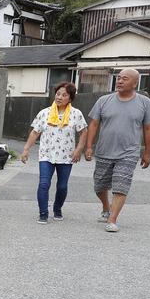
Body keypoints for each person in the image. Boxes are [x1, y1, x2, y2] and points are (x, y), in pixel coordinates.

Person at [84, 68, 150, 232]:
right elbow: (94, 124)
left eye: (125, 78)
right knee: (99, 186)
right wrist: (89, 147)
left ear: (135, 83)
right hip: (104, 151)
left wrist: (147, 153)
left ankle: (112, 219)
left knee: (121, 186)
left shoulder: (145, 103)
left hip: (128, 153)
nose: (120, 81)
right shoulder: (104, 101)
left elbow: (148, 130)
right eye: (118, 78)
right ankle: (106, 208)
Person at [21, 82, 87, 223]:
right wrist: (26, 149)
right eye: (58, 94)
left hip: (66, 156)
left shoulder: (76, 114)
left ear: (70, 98)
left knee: (62, 186)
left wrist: (78, 150)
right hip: (46, 155)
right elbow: (35, 132)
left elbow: (83, 132)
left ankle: (57, 208)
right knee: (44, 184)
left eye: (64, 95)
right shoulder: (44, 113)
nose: (59, 97)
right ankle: (43, 213)